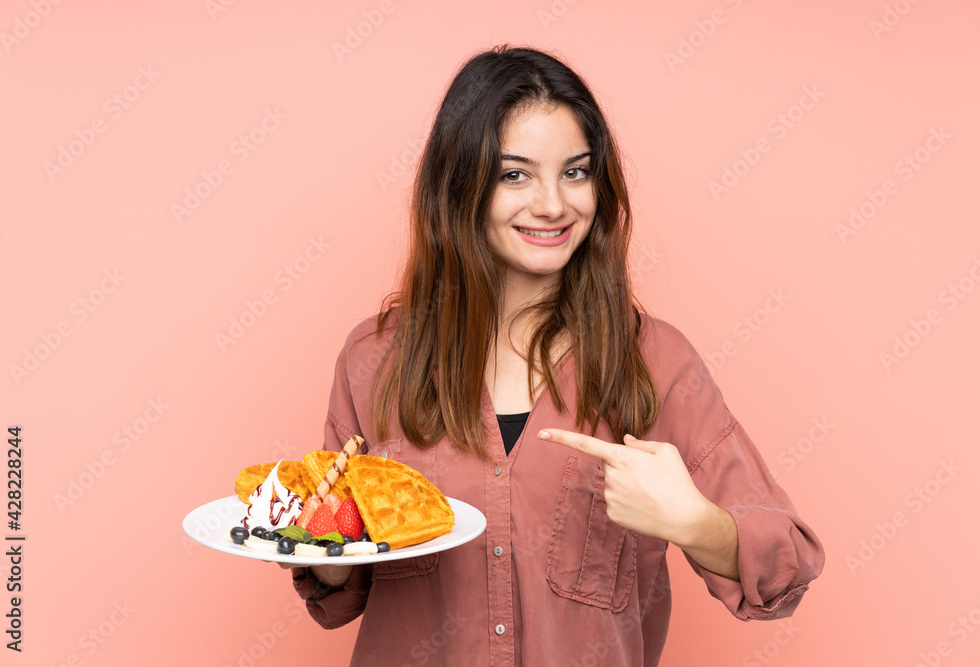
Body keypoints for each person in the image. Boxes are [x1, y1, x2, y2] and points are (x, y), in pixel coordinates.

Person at [283, 45, 825, 666]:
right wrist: (321, 550)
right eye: (515, 174)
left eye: (575, 172)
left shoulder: (655, 364)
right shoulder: (374, 361)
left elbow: (787, 567)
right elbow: (337, 598)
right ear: (459, 187)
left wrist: (695, 522)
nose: (553, 204)